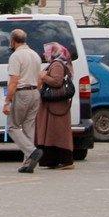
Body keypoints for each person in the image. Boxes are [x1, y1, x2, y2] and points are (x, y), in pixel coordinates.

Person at [3, 28, 43, 173]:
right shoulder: (35, 55)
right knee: (28, 127)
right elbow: (40, 79)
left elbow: (14, 81)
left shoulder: (16, 56)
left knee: (12, 126)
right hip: (35, 93)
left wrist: (7, 101)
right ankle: (28, 162)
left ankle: (32, 152)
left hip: (22, 93)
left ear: (12, 41)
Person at [36, 42, 76, 170]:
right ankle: (53, 160)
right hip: (55, 106)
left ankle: (64, 160)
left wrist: (44, 77)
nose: (44, 54)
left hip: (55, 107)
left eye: (47, 51)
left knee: (57, 132)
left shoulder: (57, 64)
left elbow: (57, 81)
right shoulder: (57, 63)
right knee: (53, 132)